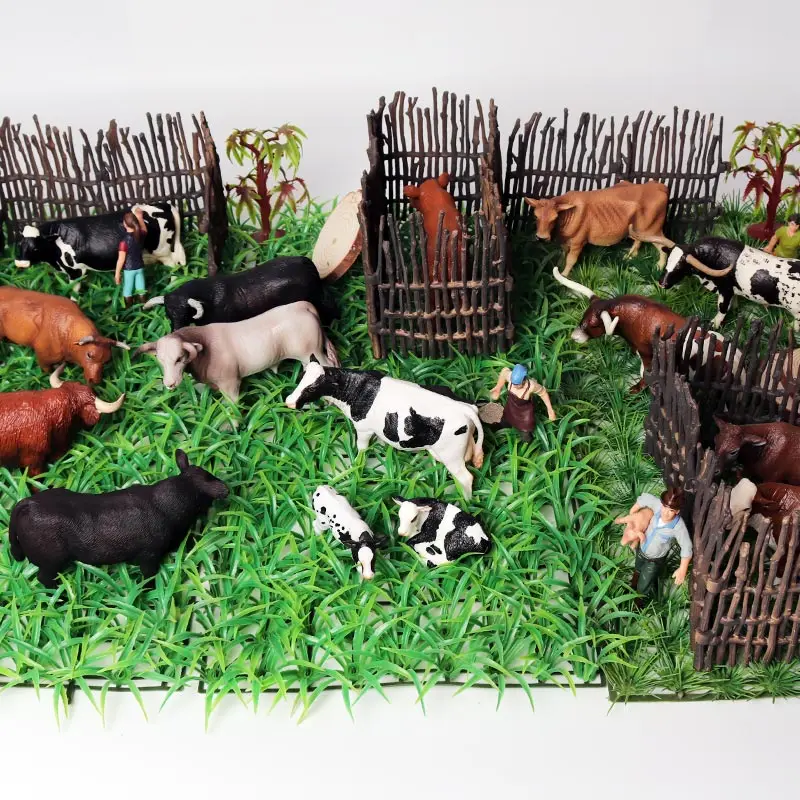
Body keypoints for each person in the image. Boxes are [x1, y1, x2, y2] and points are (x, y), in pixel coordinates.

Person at [619, 487, 692, 605]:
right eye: (664, 507)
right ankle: (632, 587)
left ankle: (638, 603)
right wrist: (633, 511)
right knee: (637, 570)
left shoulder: (678, 527)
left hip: (654, 560)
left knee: (644, 583)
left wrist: (682, 569)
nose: (665, 512)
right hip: (641, 550)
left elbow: (686, 547)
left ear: (677, 511)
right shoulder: (658, 506)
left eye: (671, 510)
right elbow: (645, 498)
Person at [489, 364, 556, 443]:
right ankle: (502, 433)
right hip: (511, 407)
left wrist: (550, 409)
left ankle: (527, 442)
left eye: (517, 384)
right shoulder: (510, 377)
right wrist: (498, 387)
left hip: (524, 413)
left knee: (526, 434)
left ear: (524, 380)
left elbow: (543, 393)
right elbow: (504, 371)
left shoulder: (531, 386)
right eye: (513, 383)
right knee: (505, 420)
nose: (514, 386)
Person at [115, 208, 148, 307]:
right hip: (140, 267)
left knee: (127, 290)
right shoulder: (141, 235)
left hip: (129, 270)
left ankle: (129, 310)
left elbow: (121, 260)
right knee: (141, 289)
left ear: (125, 224)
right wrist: (140, 217)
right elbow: (144, 229)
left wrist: (117, 274)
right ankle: (144, 307)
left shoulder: (124, 242)